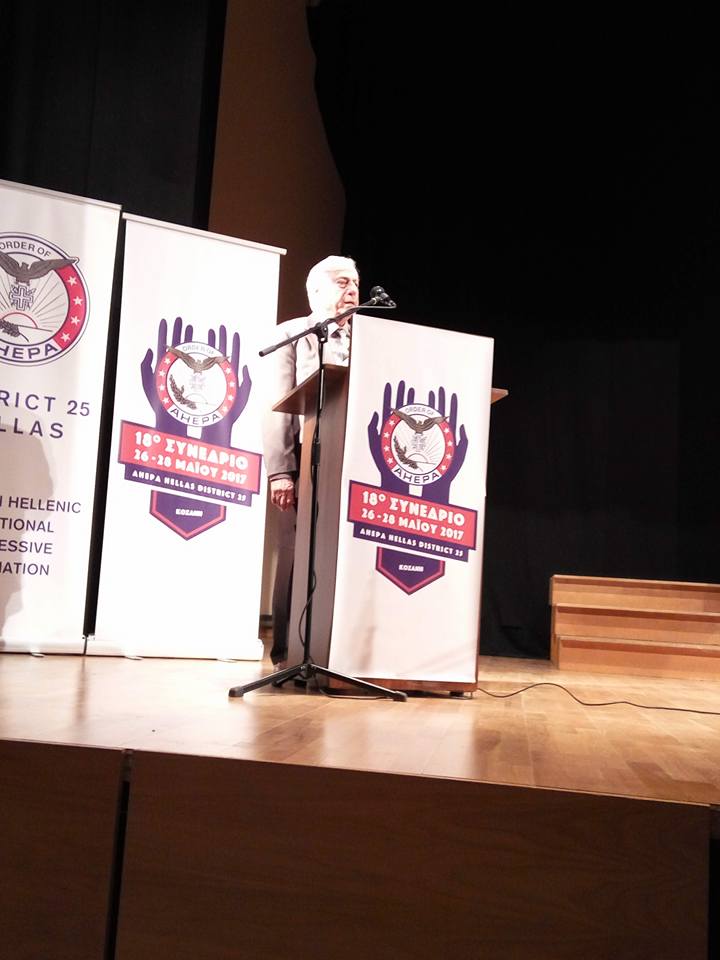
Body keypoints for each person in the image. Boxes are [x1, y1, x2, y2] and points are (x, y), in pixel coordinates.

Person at [262, 255, 360, 668]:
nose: (352, 290)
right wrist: (281, 471)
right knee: (295, 554)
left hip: (356, 463)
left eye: (355, 283)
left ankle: (340, 651)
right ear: (315, 290)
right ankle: (287, 652)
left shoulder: (369, 340)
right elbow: (278, 407)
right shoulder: (292, 335)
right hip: (305, 462)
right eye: (342, 282)